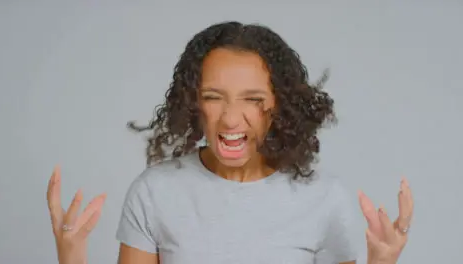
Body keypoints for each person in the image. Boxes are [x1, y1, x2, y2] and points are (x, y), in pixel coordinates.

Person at [46, 21, 414, 264]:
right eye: (213, 96)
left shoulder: (324, 198)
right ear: (193, 101)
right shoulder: (155, 192)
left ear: (278, 105)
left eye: (253, 99)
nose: (231, 118)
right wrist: (71, 254)